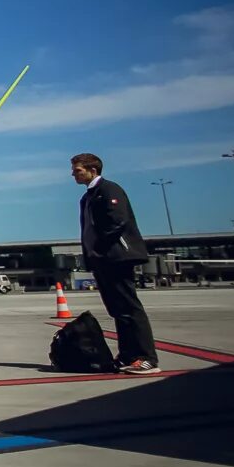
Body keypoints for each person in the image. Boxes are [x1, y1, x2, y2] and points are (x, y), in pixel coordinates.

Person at [73, 153, 158, 374]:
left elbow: (117, 220)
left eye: (78, 170)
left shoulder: (109, 189)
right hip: (102, 260)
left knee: (130, 308)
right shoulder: (88, 197)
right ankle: (128, 355)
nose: (73, 174)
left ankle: (147, 358)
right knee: (118, 310)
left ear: (93, 170)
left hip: (117, 256)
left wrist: (99, 247)